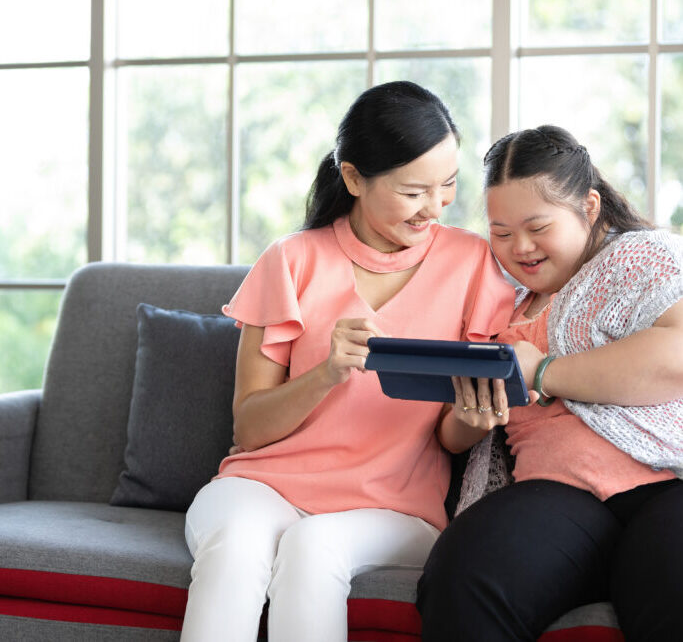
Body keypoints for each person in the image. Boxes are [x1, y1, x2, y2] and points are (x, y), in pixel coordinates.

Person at [179, 81, 515, 642]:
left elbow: (449, 438)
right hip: (264, 487)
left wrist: (471, 418)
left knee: (315, 546)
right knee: (236, 546)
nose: (434, 207)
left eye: (448, 185)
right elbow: (249, 427)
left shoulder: (471, 263)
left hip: (397, 509)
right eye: (414, 192)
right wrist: (325, 374)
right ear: (355, 178)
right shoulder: (291, 260)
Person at [417, 125, 683, 642]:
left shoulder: (641, 258)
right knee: (462, 577)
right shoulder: (495, 301)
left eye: (538, 226)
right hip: (553, 499)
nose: (521, 247)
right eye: (500, 232)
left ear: (588, 206)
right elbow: (452, 436)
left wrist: (542, 371)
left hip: (665, 482)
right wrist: (468, 420)